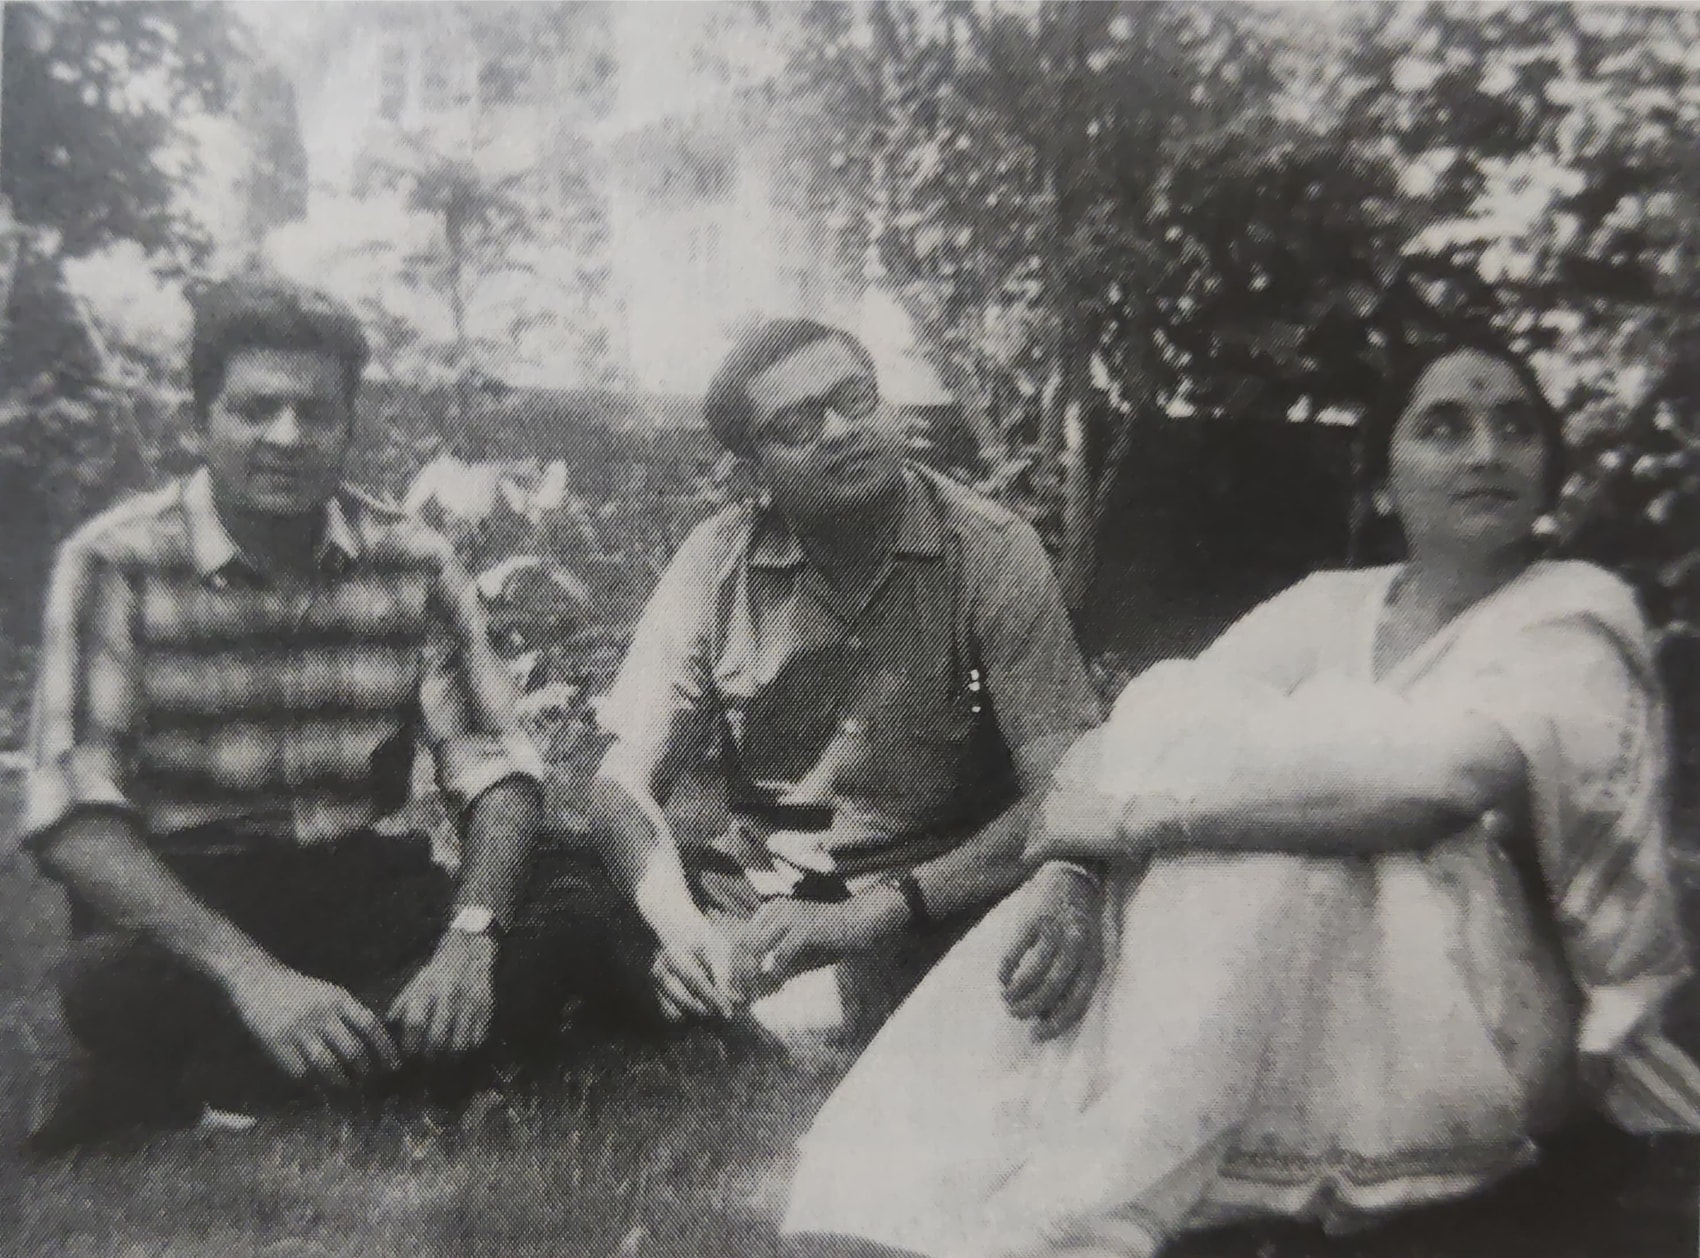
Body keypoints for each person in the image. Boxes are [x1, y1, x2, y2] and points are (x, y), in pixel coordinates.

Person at [783, 335, 1700, 1256]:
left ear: (1549, 470)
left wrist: (1144, 821)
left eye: (1515, 427)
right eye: (1444, 427)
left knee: (1276, 829)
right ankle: (1090, 1167)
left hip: (1484, 1025)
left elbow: (1435, 790)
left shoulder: (1573, 614)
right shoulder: (1333, 606)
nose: (1486, 452)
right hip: (1328, 1001)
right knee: (1191, 714)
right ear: (1383, 480)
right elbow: (1142, 728)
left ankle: (1108, 1195)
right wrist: (1073, 867)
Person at [17, 277, 631, 1154]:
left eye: (316, 412)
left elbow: (496, 766)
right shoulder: (115, 562)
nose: (286, 437)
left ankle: (219, 1082)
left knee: (567, 905)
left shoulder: (411, 559)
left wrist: (469, 940)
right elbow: (74, 819)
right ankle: (379, 1057)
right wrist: (251, 975)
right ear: (201, 423)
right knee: (106, 982)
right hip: (193, 893)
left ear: (349, 426)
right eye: (255, 408)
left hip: (360, 885)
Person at [589, 318, 1101, 1057]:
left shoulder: (991, 551)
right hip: (763, 895)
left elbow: (1065, 787)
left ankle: (815, 1010)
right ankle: (729, 995)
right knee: (568, 901)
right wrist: (686, 931)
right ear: (755, 469)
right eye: (797, 424)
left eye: (854, 399)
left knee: (1040, 931)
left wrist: (873, 916)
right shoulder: (715, 561)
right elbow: (620, 782)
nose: (839, 431)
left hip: (932, 897)